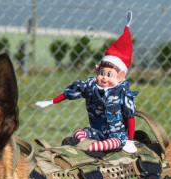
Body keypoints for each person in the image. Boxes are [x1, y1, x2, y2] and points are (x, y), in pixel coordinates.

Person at [35, 12, 138, 153]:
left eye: (109, 74)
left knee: (103, 145)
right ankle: (85, 144)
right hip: (97, 132)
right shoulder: (91, 87)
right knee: (79, 133)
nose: (104, 78)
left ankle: (92, 149)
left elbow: (130, 117)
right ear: (97, 71)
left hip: (117, 136)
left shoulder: (123, 93)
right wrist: (52, 101)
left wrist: (130, 140)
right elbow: (71, 93)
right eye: (102, 73)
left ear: (120, 76)